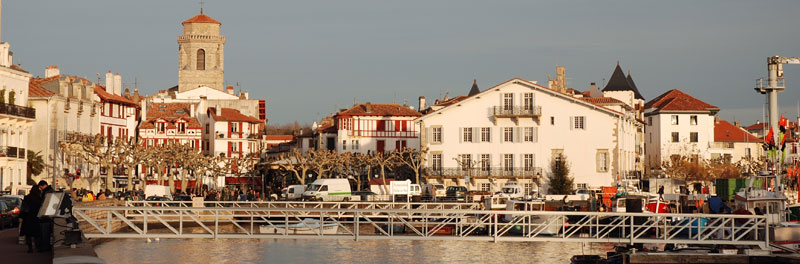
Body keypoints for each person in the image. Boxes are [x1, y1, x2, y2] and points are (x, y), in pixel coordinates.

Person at [20, 186, 42, 253]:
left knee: (28, 234)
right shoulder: (39, 199)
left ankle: (30, 248)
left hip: (27, 218)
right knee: (37, 234)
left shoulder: (27, 198)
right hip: (36, 218)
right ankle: (37, 247)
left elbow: (23, 208)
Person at [37, 180, 54, 252]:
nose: (40, 189)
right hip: (48, 216)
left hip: (46, 216)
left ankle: (44, 247)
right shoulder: (50, 191)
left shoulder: (47, 192)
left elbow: (45, 203)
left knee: (45, 233)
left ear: (43, 185)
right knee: (46, 234)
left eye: (41, 187)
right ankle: (45, 247)